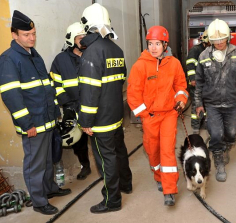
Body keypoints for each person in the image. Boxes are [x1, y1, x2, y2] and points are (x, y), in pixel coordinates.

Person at [0, 10, 71, 215]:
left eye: (34, 34)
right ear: (14, 35)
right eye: (26, 34)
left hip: (46, 119)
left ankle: (50, 189)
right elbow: (12, 98)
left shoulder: (34, 56)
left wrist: (55, 112)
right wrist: (26, 124)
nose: (32, 38)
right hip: (33, 124)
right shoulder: (8, 60)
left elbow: (46, 87)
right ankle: (39, 201)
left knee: (47, 160)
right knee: (35, 164)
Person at [78, 3, 132, 214]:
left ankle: (112, 201)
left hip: (100, 120)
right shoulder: (116, 49)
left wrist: (86, 122)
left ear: (87, 26)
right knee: (119, 151)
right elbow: (120, 81)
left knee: (106, 159)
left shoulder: (91, 53)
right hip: (116, 114)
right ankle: (126, 185)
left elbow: (90, 93)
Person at [127, 25, 188, 206]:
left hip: (169, 114)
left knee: (167, 150)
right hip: (151, 117)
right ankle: (158, 176)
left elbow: (181, 86)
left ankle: (170, 190)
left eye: (157, 44)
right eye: (150, 44)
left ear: (165, 45)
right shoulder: (140, 65)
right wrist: (145, 115)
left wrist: (181, 100)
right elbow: (133, 94)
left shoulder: (174, 63)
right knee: (153, 151)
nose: (153, 48)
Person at [195, 19, 236, 182]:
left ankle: (226, 147)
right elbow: (198, 82)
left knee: (231, 133)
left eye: (222, 39)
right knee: (216, 134)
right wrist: (199, 104)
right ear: (210, 40)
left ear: (228, 38)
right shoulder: (204, 55)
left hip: (232, 102)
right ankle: (218, 160)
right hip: (212, 104)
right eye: (215, 40)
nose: (219, 43)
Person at [50, 22, 91, 180]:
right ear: (71, 40)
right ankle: (85, 165)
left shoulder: (93, 55)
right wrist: (67, 106)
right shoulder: (60, 60)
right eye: (80, 38)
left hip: (93, 106)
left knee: (99, 140)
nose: (84, 41)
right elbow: (55, 84)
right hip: (73, 107)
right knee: (79, 141)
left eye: (85, 38)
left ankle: (105, 169)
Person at [186, 30, 210, 134]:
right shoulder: (195, 50)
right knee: (196, 105)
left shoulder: (209, 51)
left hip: (205, 84)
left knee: (204, 104)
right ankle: (195, 127)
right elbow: (190, 64)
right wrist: (192, 78)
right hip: (196, 84)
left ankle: (203, 123)